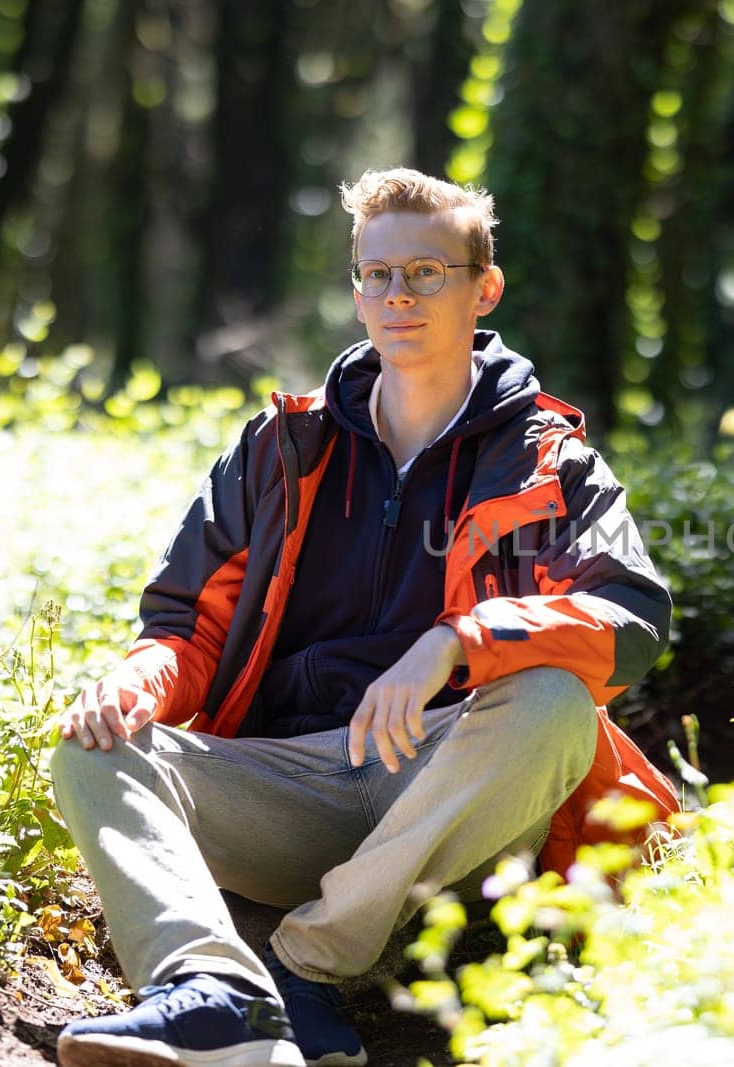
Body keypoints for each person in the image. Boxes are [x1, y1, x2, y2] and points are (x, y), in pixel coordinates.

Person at [50, 168, 679, 1067]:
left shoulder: (552, 460)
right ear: (356, 293)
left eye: (427, 272)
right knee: (91, 746)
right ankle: (215, 992)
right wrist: (130, 684)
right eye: (378, 275)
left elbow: (631, 621)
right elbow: (186, 622)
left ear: (483, 287)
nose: (399, 294)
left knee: (552, 701)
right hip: (290, 783)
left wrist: (459, 642)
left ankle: (307, 964)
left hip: (455, 792)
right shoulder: (282, 445)